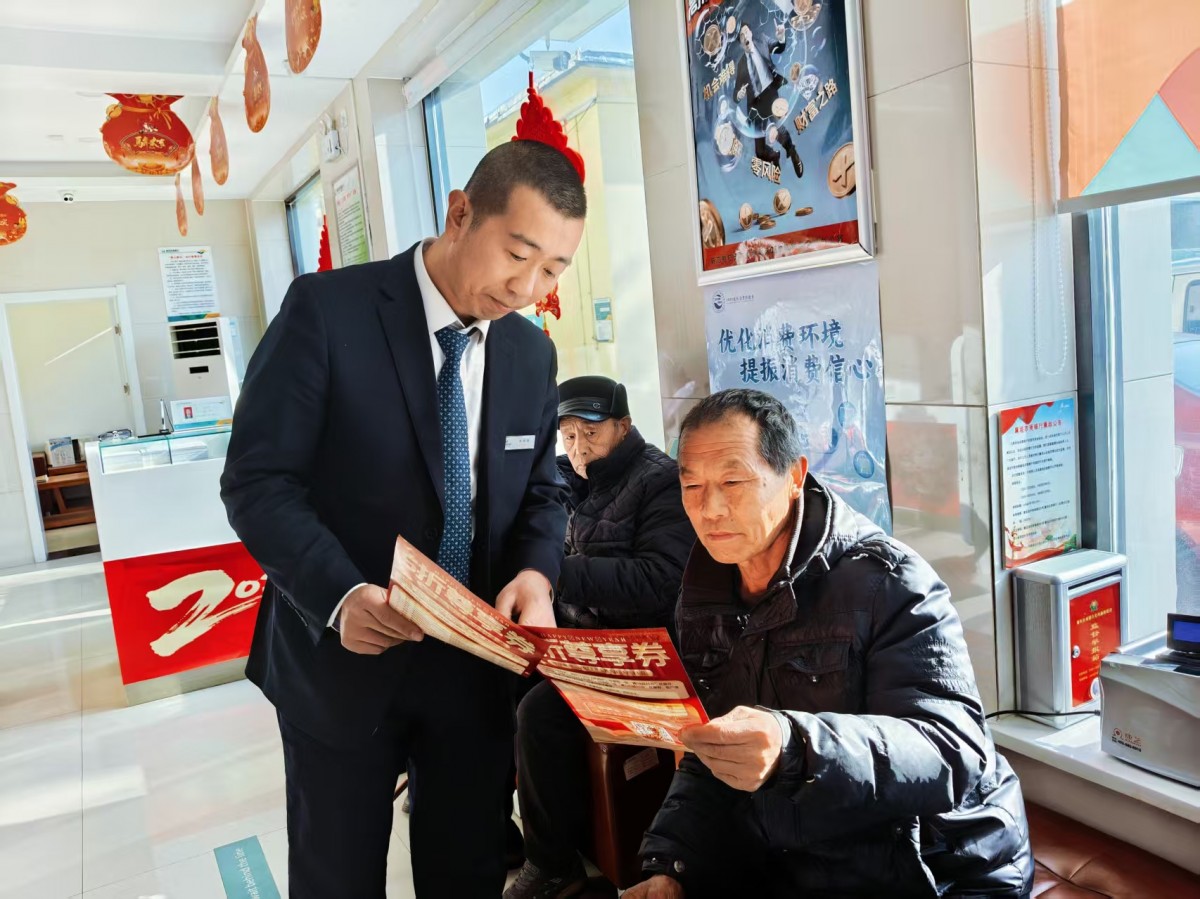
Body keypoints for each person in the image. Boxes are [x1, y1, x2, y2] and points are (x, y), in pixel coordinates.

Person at [220, 137, 586, 898]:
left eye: (553, 270)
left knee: (468, 872)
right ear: (460, 213)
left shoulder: (529, 355)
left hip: (472, 667)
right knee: (337, 876)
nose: (527, 287)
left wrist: (536, 573)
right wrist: (340, 594)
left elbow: (542, 491)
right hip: (342, 658)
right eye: (518, 254)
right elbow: (259, 480)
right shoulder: (328, 312)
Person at [626, 389, 1033, 899]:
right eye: (692, 486)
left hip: (938, 868)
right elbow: (710, 749)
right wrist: (671, 865)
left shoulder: (889, 580)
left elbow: (951, 750)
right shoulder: (704, 591)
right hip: (801, 856)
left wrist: (795, 746)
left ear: (795, 477)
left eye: (732, 482)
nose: (709, 509)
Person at [506, 376, 697, 899]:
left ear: (624, 426)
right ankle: (501, 833)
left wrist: (552, 572)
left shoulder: (659, 481)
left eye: (591, 432)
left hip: (642, 654)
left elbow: (659, 580)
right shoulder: (563, 477)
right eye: (568, 435)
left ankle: (554, 865)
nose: (578, 447)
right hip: (581, 643)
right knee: (496, 678)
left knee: (540, 712)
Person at [734, 21, 803, 179]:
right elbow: (735, 94)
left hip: (770, 93)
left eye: (746, 32)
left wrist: (781, 37)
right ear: (740, 42)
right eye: (742, 35)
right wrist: (738, 94)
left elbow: (780, 47)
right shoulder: (741, 64)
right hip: (755, 105)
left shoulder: (763, 41)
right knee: (759, 152)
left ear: (751, 33)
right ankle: (775, 156)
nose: (745, 36)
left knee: (778, 130)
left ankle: (792, 152)